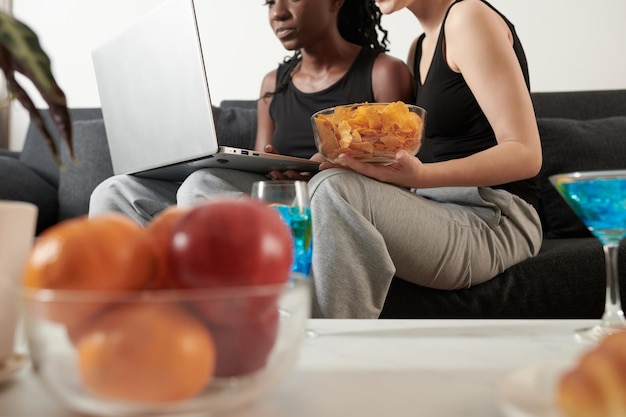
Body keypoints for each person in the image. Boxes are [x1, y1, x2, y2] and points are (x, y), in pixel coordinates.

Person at [306, 0, 543, 318]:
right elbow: (408, 153)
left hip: (498, 215)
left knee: (334, 189)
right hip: (439, 205)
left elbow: (525, 154)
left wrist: (420, 177)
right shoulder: (419, 48)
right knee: (327, 182)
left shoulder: (467, 17)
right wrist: (353, 159)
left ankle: (335, 350)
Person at [89, 0, 414, 224]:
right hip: (275, 200)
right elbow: (261, 163)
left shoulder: (382, 72)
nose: (278, 13)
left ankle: (216, 314)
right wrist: (273, 170)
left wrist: (327, 172)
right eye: (270, 2)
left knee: (201, 186)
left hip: (336, 202)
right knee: (115, 191)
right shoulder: (273, 83)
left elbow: (399, 180)